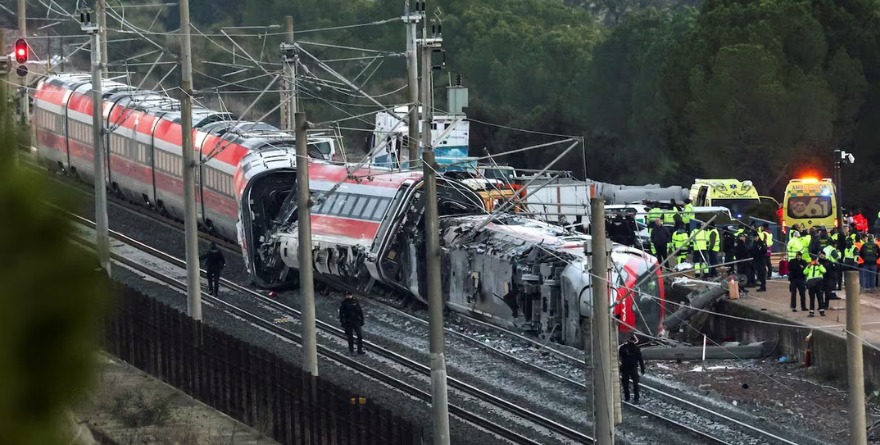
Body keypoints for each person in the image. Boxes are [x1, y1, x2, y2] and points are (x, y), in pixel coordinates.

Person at [618, 334, 645, 404]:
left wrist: (642, 368)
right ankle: (634, 398)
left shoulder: (624, 348)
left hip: (627, 368)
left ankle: (629, 397)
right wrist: (642, 368)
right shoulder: (635, 348)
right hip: (630, 368)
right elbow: (640, 359)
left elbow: (618, 358)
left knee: (627, 384)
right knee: (633, 384)